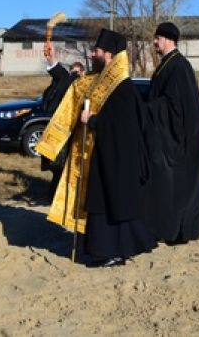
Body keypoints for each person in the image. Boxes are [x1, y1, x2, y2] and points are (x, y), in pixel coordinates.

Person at [37, 29, 155, 267]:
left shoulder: (122, 88)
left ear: (109, 55)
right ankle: (118, 250)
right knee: (109, 206)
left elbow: (122, 125)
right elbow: (75, 85)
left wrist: (91, 120)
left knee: (110, 206)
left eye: (97, 51)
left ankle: (108, 252)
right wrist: (53, 62)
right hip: (103, 157)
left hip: (117, 161)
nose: (93, 54)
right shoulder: (99, 80)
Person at [142, 22, 199, 243]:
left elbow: (175, 106)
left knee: (175, 186)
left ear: (166, 39)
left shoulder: (179, 66)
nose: (154, 42)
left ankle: (176, 229)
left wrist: (148, 108)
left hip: (178, 140)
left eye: (157, 38)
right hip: (168, 135)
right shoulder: (167, 64)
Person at [40, 42, 85, 201]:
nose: (75, 76)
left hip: (80, 140)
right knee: (59, 175)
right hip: (61, 138)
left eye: (77, 73)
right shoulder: (65, 83)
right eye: (73, 73)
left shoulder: (86, 85)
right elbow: (62, 78)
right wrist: (52, 60)